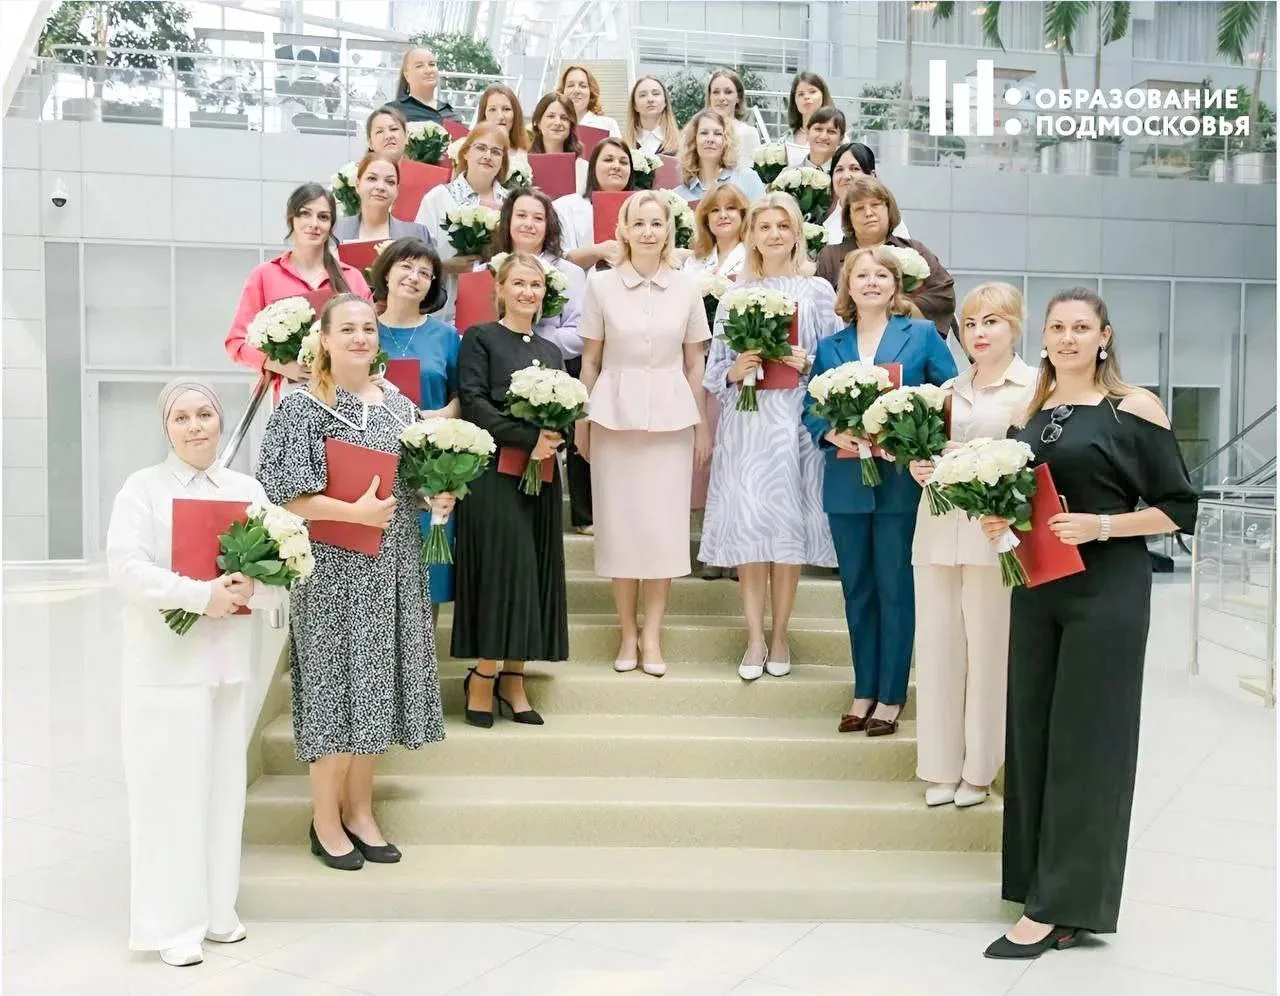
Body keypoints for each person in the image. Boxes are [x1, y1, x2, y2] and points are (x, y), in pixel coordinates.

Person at [979, 288, 1197, 960]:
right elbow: (1024, 501)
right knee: (1033, 733)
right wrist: (1000, 521)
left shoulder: (1134, 407)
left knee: (1087, 741)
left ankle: (1061, 907)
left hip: (1107, 590)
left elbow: (1179, 508)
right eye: (1057, 327)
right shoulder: (1029, 412)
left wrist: (1102, 525)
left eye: (1081, 327)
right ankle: (1036, 886)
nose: (1068, 337)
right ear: (1044, 338)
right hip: (1039, 586)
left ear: (1104, 337)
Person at [255, 294, 448, 870]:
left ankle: (361, 811)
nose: (361, 337)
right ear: (325, 338)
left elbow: (409, 483)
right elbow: (283, 495)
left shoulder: (399, 406)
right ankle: (325, 819)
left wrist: (436, 494)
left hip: (393, 565)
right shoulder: (301, 407)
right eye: (347, 329)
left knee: (375, 690)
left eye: (368, 328)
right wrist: (353, 513)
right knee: (334, 690)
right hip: (332, 571)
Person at [106, 379, 283, 968]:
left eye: (204, 413)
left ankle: (217, 911)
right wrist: (199, 595)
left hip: (228, 665)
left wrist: (252, 588)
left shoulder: (246, 490)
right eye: (181, 417)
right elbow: (127, 569)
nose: (195, 426)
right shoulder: (143, 489)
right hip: (165, 667)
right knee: (168, 796)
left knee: (223, 792)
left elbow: (281, 573)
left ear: (220, 419)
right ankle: (172, 925)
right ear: (166, 427)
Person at [803, 246, 956, 735]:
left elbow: (950, 396)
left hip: (899, 483)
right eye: (861, 275)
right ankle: (863, 689)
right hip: (846, 482)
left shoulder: (922, 335)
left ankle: (891, 696)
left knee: (895, 589)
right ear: (847, 287)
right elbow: (811, 408)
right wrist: (831, 433)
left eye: (881, 275)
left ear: (896, 285)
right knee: (857, 590)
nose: (871, 282)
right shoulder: (831, 346)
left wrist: (919, 439)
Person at [701, 192, 840, 679]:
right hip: (747, 425)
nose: (774, 234)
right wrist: (736, 369)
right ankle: (754, 637)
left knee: (786, 531)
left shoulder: (818, 291)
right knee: (750, 530)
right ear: (751, 236)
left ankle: (780, 634)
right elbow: (713, 373)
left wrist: (809, 361)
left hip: (794, 422)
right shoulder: (734, 296)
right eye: (764, 227)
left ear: (797, 232)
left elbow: (836, 363)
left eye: (783, 225)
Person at [575, 191, 712, 677]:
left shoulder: (688, 286)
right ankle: (627, 633)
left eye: (657, 223)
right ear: (624, 230)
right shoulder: (601, 285)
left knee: (662, 531)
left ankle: (652, 634)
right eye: (639, 223)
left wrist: (700, 426)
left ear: (668, 229)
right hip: (613, 416)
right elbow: (590, 360)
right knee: (620, 529)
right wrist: (582, 420)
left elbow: (695, 362)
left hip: (672, 419)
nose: (648, 232)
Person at [910, 282, 1035, 809]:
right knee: (937, 650)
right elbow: (930, 451)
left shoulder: (1034, 388)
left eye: (992, 321)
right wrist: (919, 466)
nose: (979, 332)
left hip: (994, 535)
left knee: (988, 653)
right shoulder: (948, 389)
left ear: (1015, 326)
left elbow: (1036, 465)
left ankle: (981, 770)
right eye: (971, 323)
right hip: (937, 530)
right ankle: (939, 766)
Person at [452, 253, 570, 726]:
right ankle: (482, 676)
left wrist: (554, 437)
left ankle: (514, 679)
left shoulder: (552, 351)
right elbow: (474, 403)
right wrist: (526, 437)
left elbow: (565, 408)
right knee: (503, 571)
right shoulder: (480, 338)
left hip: (541, 473)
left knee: (535, 570)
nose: (527, 292)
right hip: (492, 475)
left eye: (535, 284)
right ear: (499, 289)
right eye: (518, 283)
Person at [492, 189, 591, 533]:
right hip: (496, 367)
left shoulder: (570, 272)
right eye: (521, 215)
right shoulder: (486, 267)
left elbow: (580, 333)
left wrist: (533, 340)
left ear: (549, 225)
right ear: (508, 220)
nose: (529, 224)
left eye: (538, 217)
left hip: (551, 368)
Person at [368, 237, 460, 605]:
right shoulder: (364, 330)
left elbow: (463, 396)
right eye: (406, 266)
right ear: (386, 273)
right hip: (373, 463)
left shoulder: (446, 337)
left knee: (426, 580)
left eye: (425, 272)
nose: (414, 276)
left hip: (429, 467)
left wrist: (439, 415)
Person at [226, 184, 371, 382]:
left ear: (331, 225)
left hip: (345, 389)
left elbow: (373, 338)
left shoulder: (352, 277)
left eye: (323, 217)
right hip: (287, 392)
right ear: (291, 219)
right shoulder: (265, 275)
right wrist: (280, 365)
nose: (314, 224)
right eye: (305, 214)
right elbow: (236, 343)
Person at [684, 184, 749, 581]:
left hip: (740, 372)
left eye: (732, 209)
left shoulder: (753, 259)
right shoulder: (693, 262)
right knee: (704, 460)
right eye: (715, 210)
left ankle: (739, 551)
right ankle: (712, 550)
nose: (723, 215)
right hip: (697, 365)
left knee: (735, 461)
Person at [816, 174, 955, 338]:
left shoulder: (914, 250)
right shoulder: (830, 256)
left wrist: (904, 306)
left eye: (875, 205)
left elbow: (944, 295)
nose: (869, 213)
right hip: (848, 344)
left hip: (907, 343)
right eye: (859, 208)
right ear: (849, 217)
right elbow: (817, 307)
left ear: (889, 209)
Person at [416, 122, 511, 322]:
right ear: (466, 153)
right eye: (481, 148)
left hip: (496, 307)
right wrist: (444, 266)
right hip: (443, 305)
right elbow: (416, 254)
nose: (488, 156)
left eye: (496, 152)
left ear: (503, 161)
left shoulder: (511, 204)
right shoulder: (438, 198)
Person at [555, 137, 636, 269]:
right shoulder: (564, 206)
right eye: (608, 160)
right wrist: (598, 251)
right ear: (593, 167)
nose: (616, 166)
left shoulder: (643, 210)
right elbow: (557, 259)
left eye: (623, 162)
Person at [332, 153, 434, 244]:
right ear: (358, 185)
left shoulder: (417, 234)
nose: (381, 187)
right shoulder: (335, 230)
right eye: (372, 178)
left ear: (397, 190)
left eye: (390, 182)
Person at [824, 142, 911, 244]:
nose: (846, 176)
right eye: (839, 170)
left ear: (872, 176)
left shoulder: (886, 219)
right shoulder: (823, 219)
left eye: (855, 169)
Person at [671, 109, 765, 203]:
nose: (710, 139)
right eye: (704, 133)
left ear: (727, 140)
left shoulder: (748, 179)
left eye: (717, 134)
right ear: (693, 140)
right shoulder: (678, 197)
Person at [529, 92, 590, 194]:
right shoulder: (524, 165)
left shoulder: (584, 169)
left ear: (571, 125)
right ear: (538, 122)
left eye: (564, 118)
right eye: (551, 116)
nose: (558, 123)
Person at [392, 47, 460, 124]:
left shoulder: (451, 114)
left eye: (432, 64)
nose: (428, 70)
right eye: (419, 66)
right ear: (407, 75)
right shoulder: (393, 113)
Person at [706, 67, 761, 162]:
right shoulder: (698, 132)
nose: (721, 98)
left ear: (738, 97)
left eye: (728, 92)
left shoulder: (748, 133)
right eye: (716, 92)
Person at [558, 64, 622, 137]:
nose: (576, 90)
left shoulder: (607, 125)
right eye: (570, 85)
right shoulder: (553, 125)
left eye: (583, 86)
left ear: (591, 92)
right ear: (562, 92)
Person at [624, 75, 680, 156]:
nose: (650, 99)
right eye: (643, 95)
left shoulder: (681, 145)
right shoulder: (623, 147)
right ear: (634, 105)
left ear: (665, 102)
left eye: (656, 94)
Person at [472, 83, 530, 151]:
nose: (500, 116)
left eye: (506, 109)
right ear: (484, 115)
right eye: (493, 109)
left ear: (515, 114)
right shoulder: (470, 150)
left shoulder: (525, 154)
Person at [786, 71, 832, 151]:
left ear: (823, 95)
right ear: (794, 101)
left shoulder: (837, 136)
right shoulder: (787, 139)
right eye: (801, 94)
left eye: (812, 92)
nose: (806, 97)